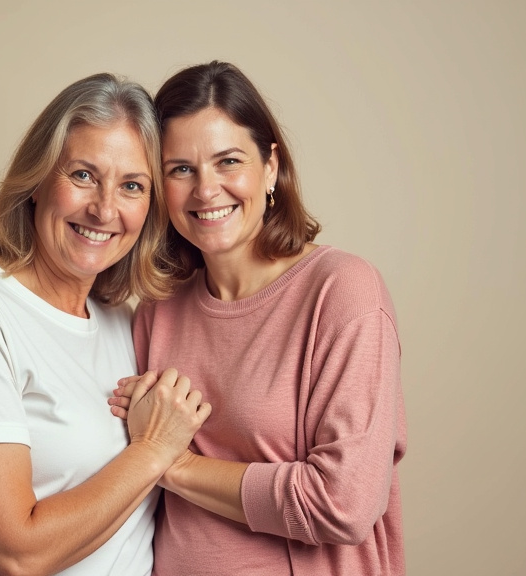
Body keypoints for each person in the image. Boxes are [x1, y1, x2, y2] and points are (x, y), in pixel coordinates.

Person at [0, 72, 211, 576]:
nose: (105, 208)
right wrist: (152, 450)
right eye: (83, 175)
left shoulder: (121, 324)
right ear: (38, 181)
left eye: (132, 186)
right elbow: (13, 554)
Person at [110, 61, 407, 575]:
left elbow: (343, 502)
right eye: (181, 169)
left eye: (228, 161)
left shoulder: (342, 292)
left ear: (270, 166)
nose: (206, 191)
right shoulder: (156, 311)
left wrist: (168, 461)